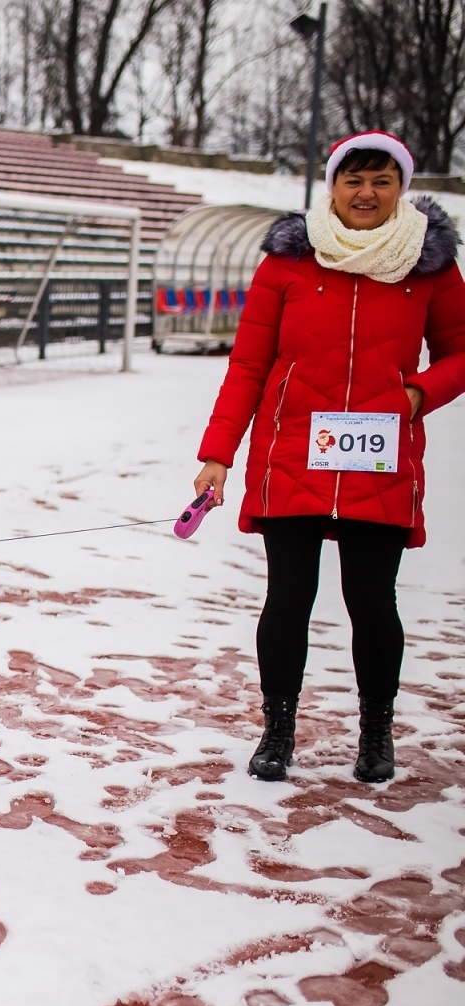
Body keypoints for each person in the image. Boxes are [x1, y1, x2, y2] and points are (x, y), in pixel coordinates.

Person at [194, 130, 465, 785]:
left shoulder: (429, 267)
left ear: (401, 187)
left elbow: (461, 351)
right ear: (332, 186)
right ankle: (277, 731)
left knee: (372, 600)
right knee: (288, 596)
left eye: (381, 181)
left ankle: (377, 734)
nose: (366, 193)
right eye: (353, 179)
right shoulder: (288, 262)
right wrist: (217, 455)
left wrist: (417, 392)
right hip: (292, 453)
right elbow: (249, 365)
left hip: (380, 458)